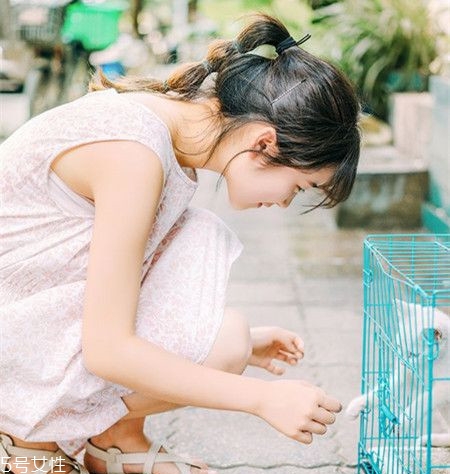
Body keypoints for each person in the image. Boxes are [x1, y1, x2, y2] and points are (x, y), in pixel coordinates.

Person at [0, 13, 361, 474]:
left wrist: (238, 345)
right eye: (298, 187)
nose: (284, 202)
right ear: (265, 143)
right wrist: (262, 399)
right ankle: (26, 439)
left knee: (226, 332)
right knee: (221, 335)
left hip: (27, 321)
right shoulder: (134, 154)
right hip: (13, 345)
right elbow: (107, 350)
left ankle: (115, 442)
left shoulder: (165, 136)